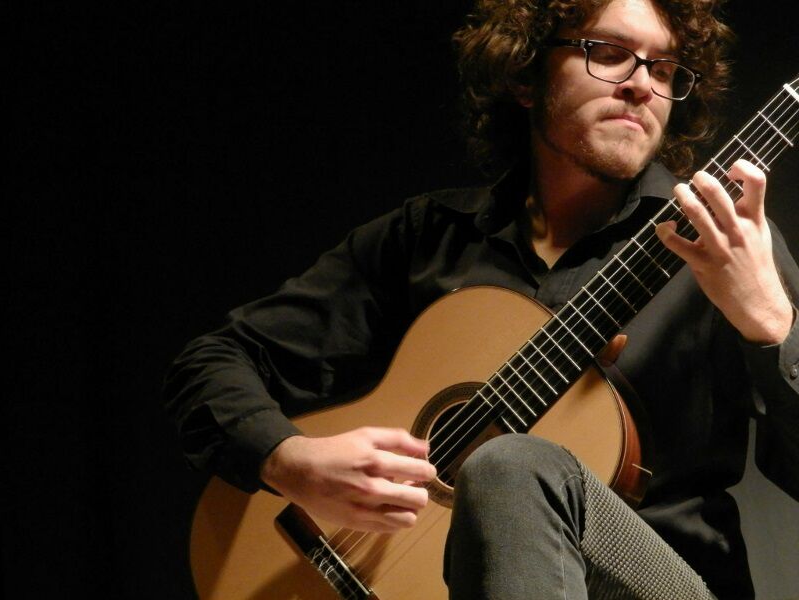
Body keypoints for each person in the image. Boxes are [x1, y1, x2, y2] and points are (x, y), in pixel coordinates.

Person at [164, 0, 799, 598]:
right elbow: (212, 362)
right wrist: (288, 461)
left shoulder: (724, 244)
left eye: (664, 70)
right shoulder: (428, 239)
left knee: (508, 466)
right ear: (525, 76)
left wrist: (770, 320)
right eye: (609, 53)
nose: (642, 86)